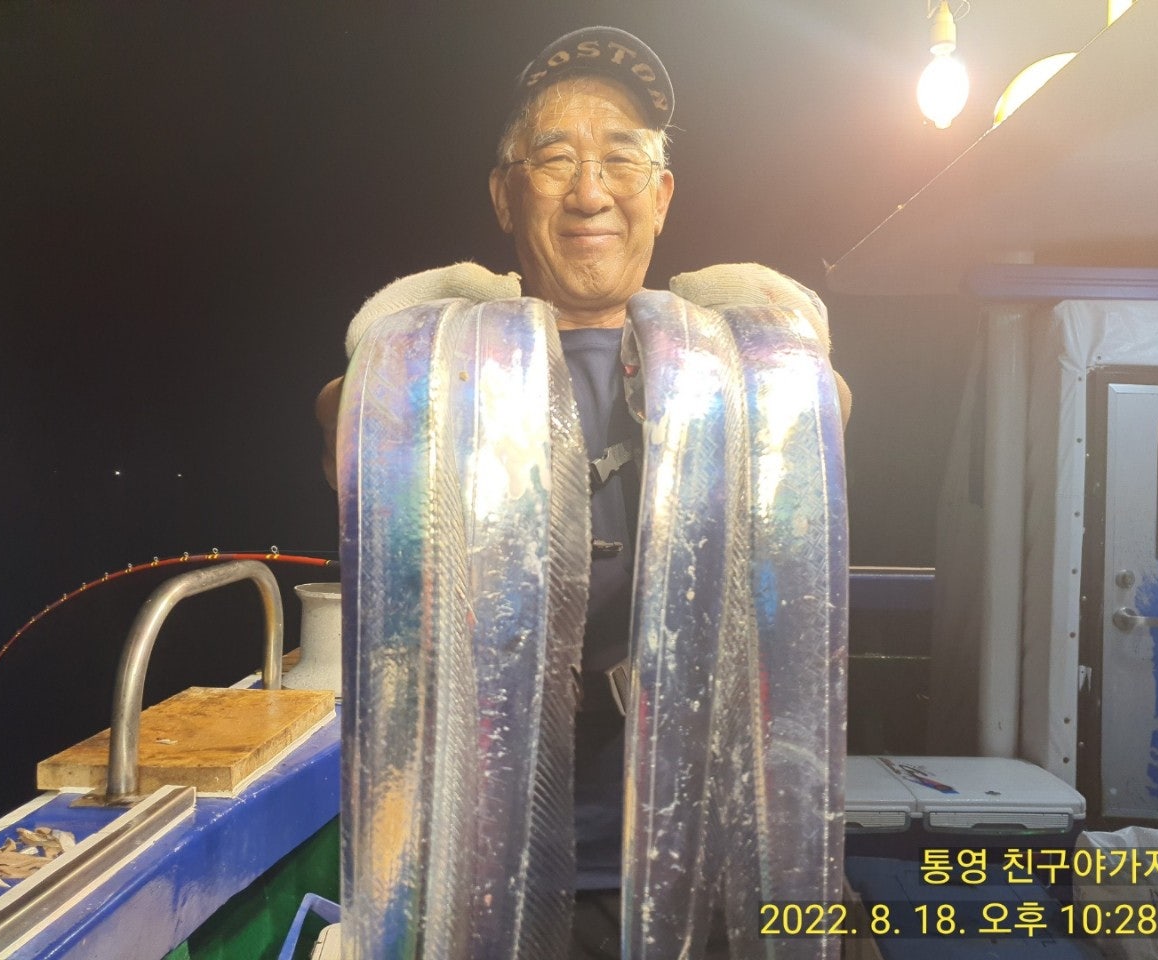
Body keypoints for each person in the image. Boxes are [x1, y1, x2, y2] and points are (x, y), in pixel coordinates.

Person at [316, 26, 849, 957]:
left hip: (704, 866)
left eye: (623, 160)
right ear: (505, 193)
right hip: (482, 876)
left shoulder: (741, 381)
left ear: (662, 196)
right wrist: (397, 340)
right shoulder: (437, 384)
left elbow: (830, 408)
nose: (591, 191)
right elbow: (342, 420)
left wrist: (776, 339)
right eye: (555, 159)